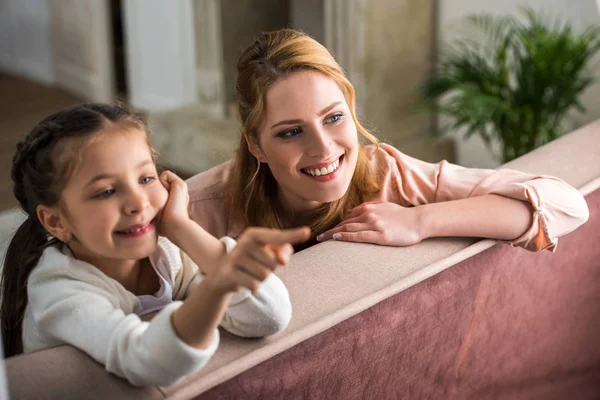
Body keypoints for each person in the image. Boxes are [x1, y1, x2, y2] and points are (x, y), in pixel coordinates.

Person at [186, 28, 589, 252]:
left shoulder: (388, 174)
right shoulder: (199, 209)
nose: (323, 148)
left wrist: (419, 220)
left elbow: (567, 205)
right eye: (291, 132)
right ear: (254, 144)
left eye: (334, 118)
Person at [0, 103, 309, 386]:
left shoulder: (167, 252)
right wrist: (217, 286)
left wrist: (181, 227)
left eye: (146, 179)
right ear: (56, 222)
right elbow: (146, 361)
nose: (137, 202)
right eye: (106, 191)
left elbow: (269, 316)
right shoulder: (59, 290)